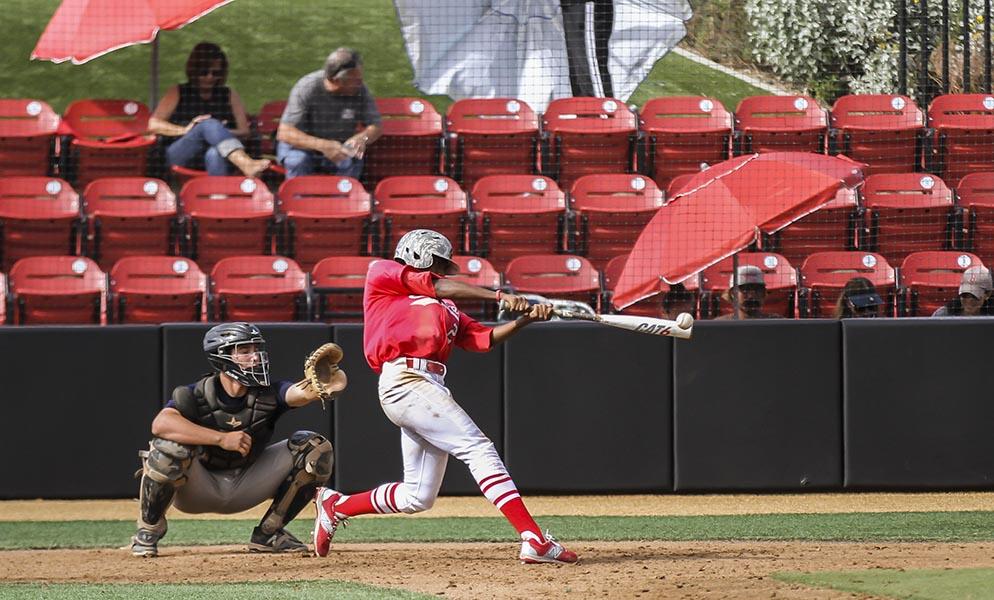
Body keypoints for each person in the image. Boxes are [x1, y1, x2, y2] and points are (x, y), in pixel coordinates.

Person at [312, 229, 578, 565]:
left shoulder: (447, 308)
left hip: (429, 384)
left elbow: (483, 338)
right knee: (478, 448)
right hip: (404, 378)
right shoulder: (383, 275)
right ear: (416, 256)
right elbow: (436, 286)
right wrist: (499, 296)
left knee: (418, 495)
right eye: (435, 263)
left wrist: (525, 319)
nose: (439, 270)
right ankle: (534, 539)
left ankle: (337, 506)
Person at [130, 322, 344, 557]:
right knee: (166, 448)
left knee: (316, 448)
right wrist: (221, 439)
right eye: (244, 351)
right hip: (197, 489)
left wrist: (319, 383)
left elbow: (298, 393)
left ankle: (269, 533)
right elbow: (161, 424)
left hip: (247, 484)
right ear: (222, 356)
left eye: (256, 349)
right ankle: (148, 530)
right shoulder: (196, 394)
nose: (255, 357)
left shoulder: (268, 393)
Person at [148, 42, 270, 177]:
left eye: (215, 73)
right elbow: (153, 124)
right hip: (181, 152)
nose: (210, 77)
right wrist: (186, 130)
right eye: (204, 72)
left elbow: (244, 131)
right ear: (194, 71)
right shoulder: (178, 92)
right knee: (207, 124)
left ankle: (218, 196)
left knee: (214, 152)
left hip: (219, 151)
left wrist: (218, 132)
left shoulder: (228, 94)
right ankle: (245, 163)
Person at [276, 48, 383, 180]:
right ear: (336, 81)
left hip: (339, 146)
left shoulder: (360, 90)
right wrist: (323, 146)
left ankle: (342, 198)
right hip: (302, 147)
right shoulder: (307, 87)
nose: (360, 83)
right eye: (355, 80)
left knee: (351, 160)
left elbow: (376, 126)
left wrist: (362, 138)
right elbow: (285, 132)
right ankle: (297, 199)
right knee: (298, 160)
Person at [715, 265, 780, 320]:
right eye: (745, 290)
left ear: (763, 293)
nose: (751, 295)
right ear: (732, 294)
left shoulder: (777, 323)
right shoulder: (719, 325)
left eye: (757, 290)